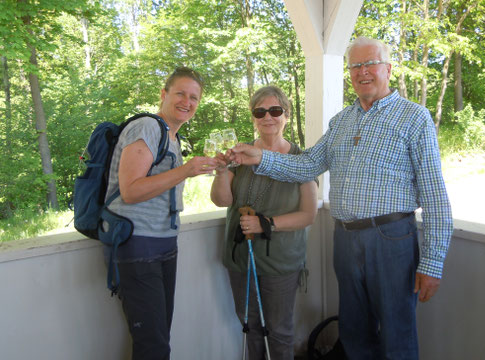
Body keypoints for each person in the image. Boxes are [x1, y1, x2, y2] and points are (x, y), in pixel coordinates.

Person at [229, 37, 453, 360]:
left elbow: (434, 194)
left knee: (396, 333)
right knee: (354, 332)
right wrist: (259, 158)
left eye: (370, 64)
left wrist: (432, 262)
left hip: (391, 239)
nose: (363, 72)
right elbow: (307, 164)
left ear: (388, 69)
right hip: (345, 239)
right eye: (355, 66)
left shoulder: (414, 118)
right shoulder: (341, 121)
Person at [104, 67, 219, 360]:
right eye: (181, 93)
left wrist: (194, 170)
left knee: (157, 338)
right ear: (164, 94)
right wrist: (186, 170)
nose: (187, 102)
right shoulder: (147, 127)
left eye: (194, 97)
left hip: (163, 245)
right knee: (153, 345)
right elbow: (130, 190)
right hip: (139, 245)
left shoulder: (171, 137)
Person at [210, 86, 318, 360]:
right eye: (260, 111)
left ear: (287, 115)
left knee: (279, 331)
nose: (267, 117)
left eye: (275, 110)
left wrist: (266, 224)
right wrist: (222, 172)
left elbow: (308, 214)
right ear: (253, 117)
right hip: (241, 260)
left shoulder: (301, 160)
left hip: (280, 262)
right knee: (250, 327)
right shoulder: (239, 156)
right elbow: (222, 201)